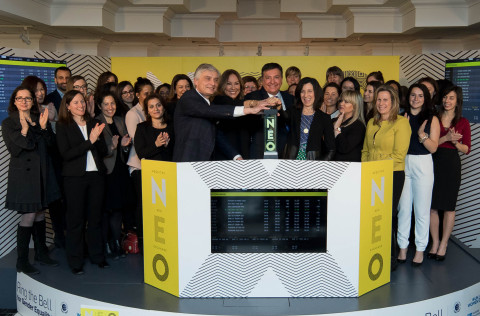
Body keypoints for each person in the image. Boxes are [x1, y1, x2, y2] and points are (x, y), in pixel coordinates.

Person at [2, 86, 61, 274]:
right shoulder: (9, 123)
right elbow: (17, 149)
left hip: (42, 172)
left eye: (28, 98)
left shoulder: (39, 118)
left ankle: (41, 253)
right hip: (25, 176)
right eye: (20, 98)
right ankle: (22, 261)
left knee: (41, 213)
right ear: (14, 101)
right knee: (28, 215)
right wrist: (25, 130)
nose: (24, 101)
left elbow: (51, 144)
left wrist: (44, 128)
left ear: (33, 101)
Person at [173, 63, 274, 162]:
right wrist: (248, 109)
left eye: (216, 80)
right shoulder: (189, 97)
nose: (212, 83)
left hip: (206, 164)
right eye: (208, 78)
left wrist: (236, 156)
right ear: (196, 81)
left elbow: (217, 135)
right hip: (187, 162)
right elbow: (208, 111)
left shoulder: (210, 105)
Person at [56, 90, 109, 274]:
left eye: (82, 102)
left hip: (96, 177)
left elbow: (102, 151)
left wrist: (98, 139)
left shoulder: (94, 122)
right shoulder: (63, 126)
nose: (81, 105)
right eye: (76, 102)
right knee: (75, 221)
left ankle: (98, 257)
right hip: (74, 179)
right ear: (68, 106)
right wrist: (89, 141)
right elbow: (66, 154)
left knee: (95, 219)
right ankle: (75, 261)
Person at [361, 84, 411, 270]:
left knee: (386, 216)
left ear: (393, 102)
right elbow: (366, 151)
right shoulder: (372, 123)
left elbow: (399, 155)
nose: (381, 103)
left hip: (391, 175)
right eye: (379, 100)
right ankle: (372, 253)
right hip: (371, 176)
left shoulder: (401, 123)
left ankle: (389, 258)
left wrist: (376, 166)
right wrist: (367, 170)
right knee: (372, 216)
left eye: (385, 100)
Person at [397, 84, 440, 266]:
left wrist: (422, 135)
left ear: (425, 99)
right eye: (413, 95)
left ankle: (420, 249)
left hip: (423, 163)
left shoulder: (432, 119)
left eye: (420, 96)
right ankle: (403, 248)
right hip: (403, 162)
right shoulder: (401, 116)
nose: (416, 99)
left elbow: (433, 147)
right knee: (404, 209)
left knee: (421, 210)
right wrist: (404, 130)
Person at [429, 86, 471, 261]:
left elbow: (466, 149)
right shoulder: (435, 119)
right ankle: (435, 242)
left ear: (457, 101)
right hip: (433, 163)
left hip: (451, 165)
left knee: (448, 207)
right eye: (445, 97)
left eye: (451, 98)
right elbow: (429, 144)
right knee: (432, 206)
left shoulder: (463, 122)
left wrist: (454, 142)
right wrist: (446, 138)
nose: (447, 101)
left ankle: (444, 244)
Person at [95, 91, 132, 260]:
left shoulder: (119, 120)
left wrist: (124, 146)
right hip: (106, 172)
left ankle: (117, 243)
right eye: (106, 104)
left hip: (121, 171)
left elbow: (125, 147)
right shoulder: (96, 122)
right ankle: (106, 244)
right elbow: (98, 151)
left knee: (118, 210)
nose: (110, 107)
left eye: (112, 104)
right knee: (106, 210)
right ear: (99, 106)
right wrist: (113, 146)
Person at [244, 62, 295, 159]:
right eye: (268, 78)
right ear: (262, 80)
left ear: (281, 79)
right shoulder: (252, 97)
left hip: (286, 154)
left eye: (276, 77)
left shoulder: (290, 99)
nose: (272, 81)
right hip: (259, 154)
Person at [125, 77, 154, 247]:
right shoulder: (132, 113)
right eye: (146, 93)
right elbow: (138, 142)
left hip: (154, 166)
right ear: (138, 95)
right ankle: (142, 242)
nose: (150, 96)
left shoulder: (154, 110)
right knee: (142, 205)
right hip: (139, 166)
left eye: (152, 93)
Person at [283, 77, 335, 160]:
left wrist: (320, 165)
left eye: (310, 91)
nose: (306, 95)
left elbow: (331, 149)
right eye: (302, 91)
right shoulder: (292, 112)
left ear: (316, 93)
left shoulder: (324, 118)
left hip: (313, 165)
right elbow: (282, 117)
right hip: (290, 162)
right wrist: (277, 108)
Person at [212, 69, 250, 159]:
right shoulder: (217, 102)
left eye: (236, 83)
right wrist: (235, 156)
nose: (233, 87)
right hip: (224, 158)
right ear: (222, 85)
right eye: (229, 84)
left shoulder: (242, 103)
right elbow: (218, 136)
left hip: (244, 158)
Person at [134, 93, 174, 162]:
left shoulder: (172, 127)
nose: (156, 109)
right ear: (148, 111)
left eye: (158, 105)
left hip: (170, 169)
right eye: (151, 107)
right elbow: (141, 154)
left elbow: (178, 152)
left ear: (164, 108)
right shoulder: (142, 128)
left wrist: (166, 146)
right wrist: (156, 145)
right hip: (151, 170)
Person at [333, 90, 366, 162]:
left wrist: (337, 129)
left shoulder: (358, 126)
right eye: (341, 101)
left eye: (346, 102)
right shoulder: (334, 121)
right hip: (332, 165)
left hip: (349, 168)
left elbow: (344, 148)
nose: (342, 104)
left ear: (355, 106)